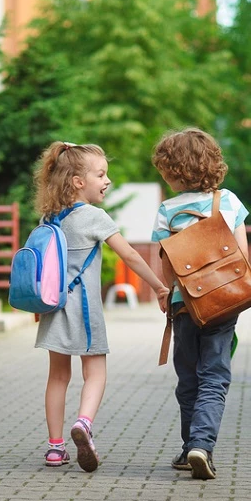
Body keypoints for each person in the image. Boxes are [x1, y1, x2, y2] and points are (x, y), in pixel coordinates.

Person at [33, 141, 170, 472]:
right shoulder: (94, 216)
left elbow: (41, 265)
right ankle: (83, 423)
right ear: (78, 181)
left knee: (57, 376)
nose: (107, 180)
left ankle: (54, 449)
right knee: (95, 371)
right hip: (85, 310)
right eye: (101, 174)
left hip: (53, 308)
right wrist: (158, 286)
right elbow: (131, 255)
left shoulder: (48, 218)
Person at [150, 128, 250, 480]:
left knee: (189, 377)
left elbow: (165, 262)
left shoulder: (166, 211)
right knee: (215, 377)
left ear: (174, 171)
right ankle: (201, 446)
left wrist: (166, 292)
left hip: (184, 305)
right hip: (223, 301)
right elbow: (242, 255)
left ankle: (188, 446)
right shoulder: (229, 202)